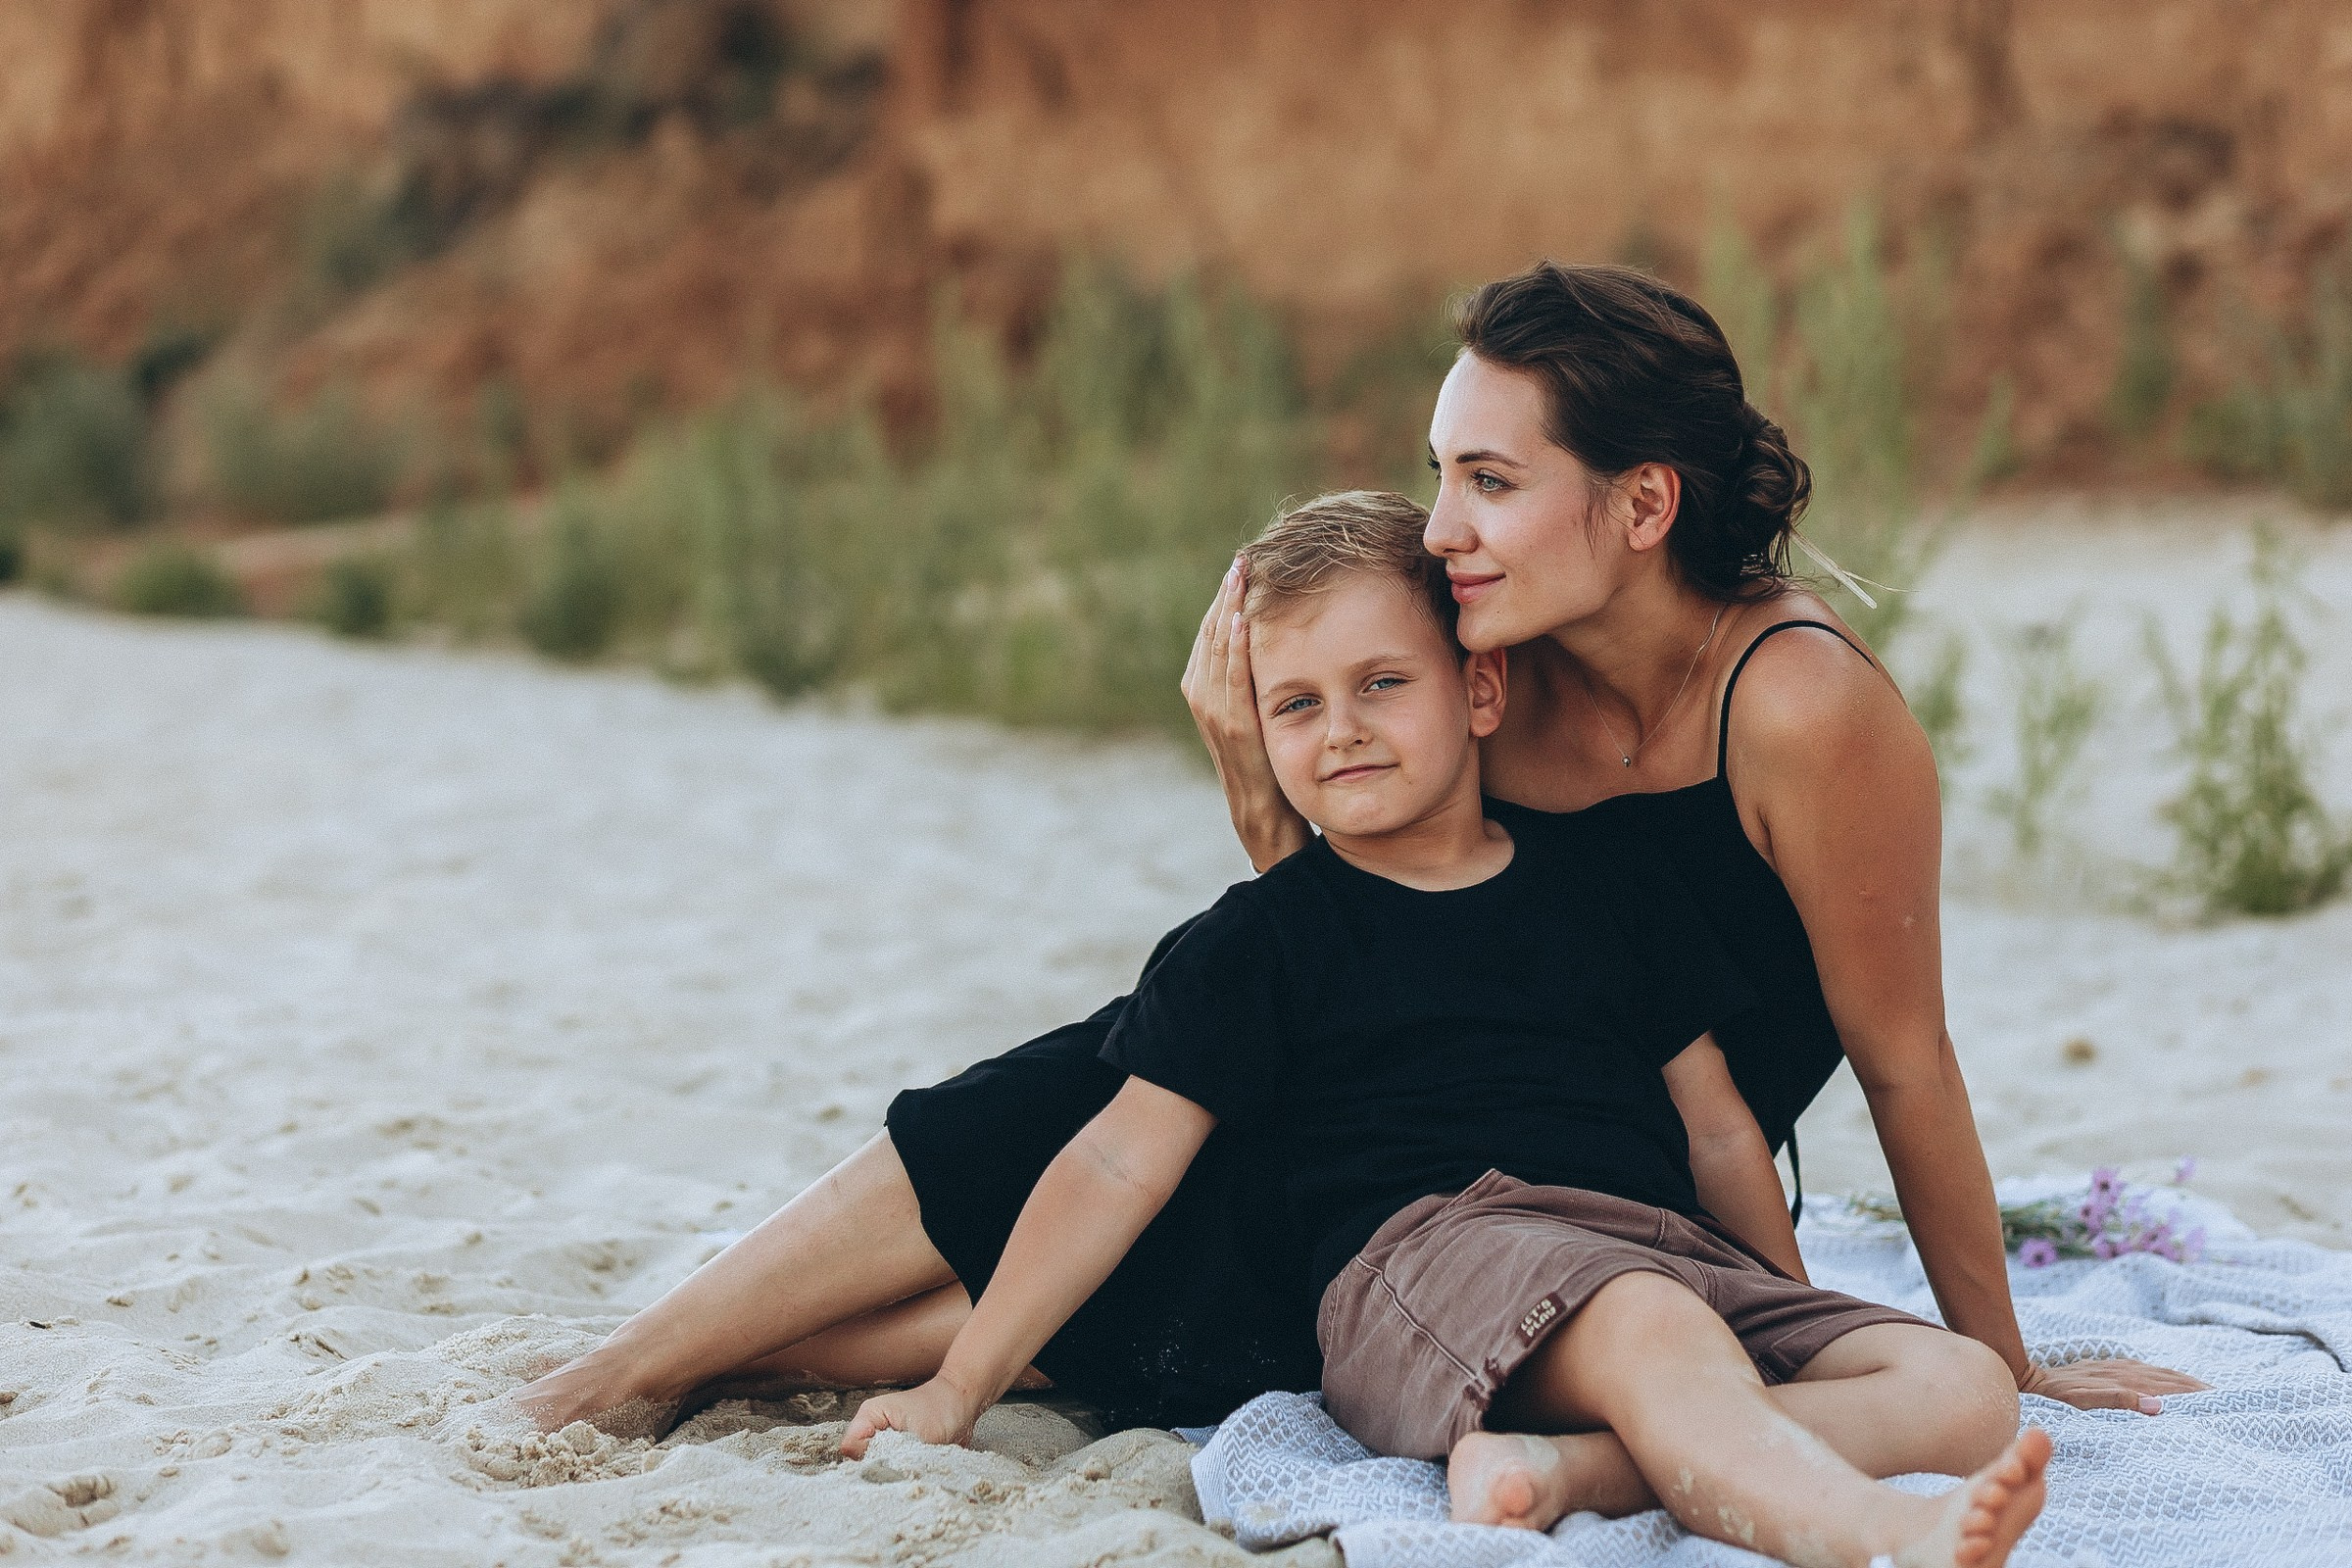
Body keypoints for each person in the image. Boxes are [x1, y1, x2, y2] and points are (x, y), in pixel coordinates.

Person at [514, 261, 2196, 1456]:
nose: (1441, 524)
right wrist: (1259, 778)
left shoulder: (1804, 708)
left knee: (1158, 1255)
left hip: (1607, 1177)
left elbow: (1905, 1061)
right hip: (1406, 1093)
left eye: (1487, 477)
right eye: (1435, 471)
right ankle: (619, 1378)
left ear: (1641, 505)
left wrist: (2003, 1356)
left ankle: (714, 1370)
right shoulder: (1493, 676)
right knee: (1079, 1095)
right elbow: (1352, 939)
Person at [837, 496, 2051, 1568]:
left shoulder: (1605, 887)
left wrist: (1776, 1307)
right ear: (1256, 731)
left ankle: (1574, 1469)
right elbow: (1112, 1164)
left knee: (1961, 1390)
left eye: (1381, 684)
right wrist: (960, 1385)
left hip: (1652, 1248)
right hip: (1432, 1253)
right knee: (1650, 1322)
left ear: (1478, 689)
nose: (1344, 729)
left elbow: (1719, 1127)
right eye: (1297, 706)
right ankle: (1885, 1540)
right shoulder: (1263, 938)